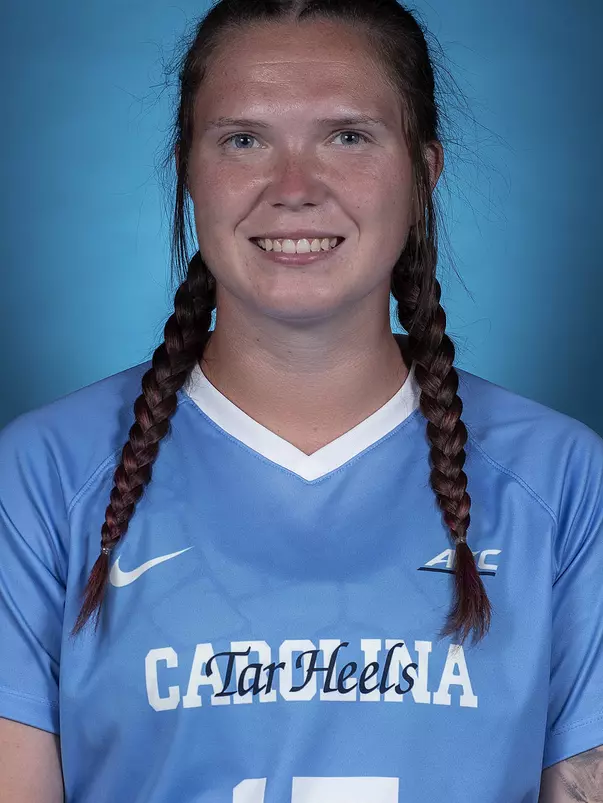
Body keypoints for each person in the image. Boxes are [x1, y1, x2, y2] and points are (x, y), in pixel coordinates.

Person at [1, 0, 602, 800]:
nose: (293, 188)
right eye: (243, 140)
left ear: (423, 171)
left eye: (347, 136)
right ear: (188, 168)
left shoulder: (560, 479)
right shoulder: (41, 474)